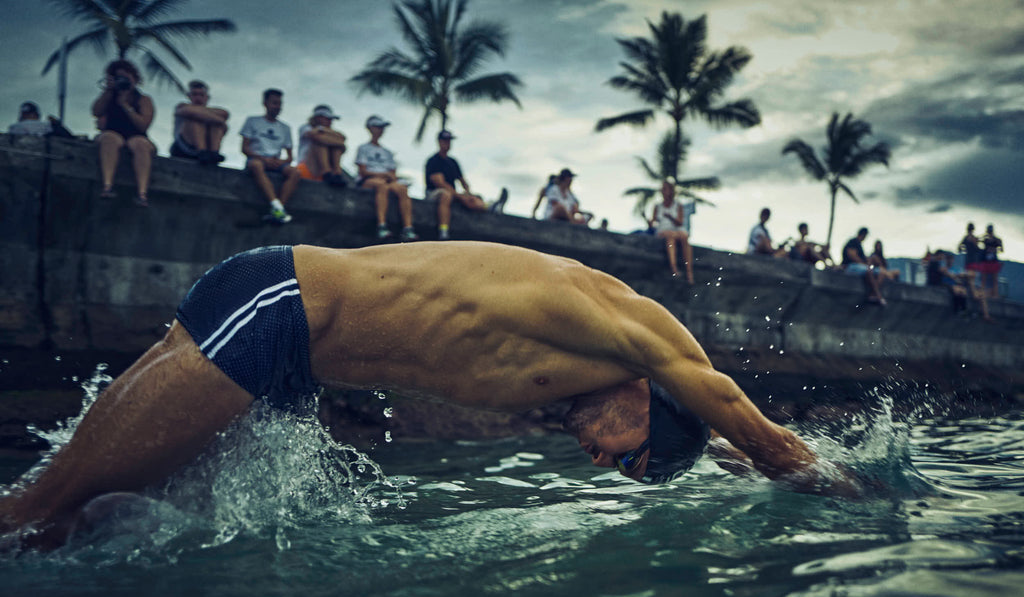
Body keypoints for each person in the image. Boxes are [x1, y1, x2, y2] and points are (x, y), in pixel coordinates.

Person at [0, 241, 868, 549]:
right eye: (626, 456)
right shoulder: (627, 326)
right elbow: (726, 401)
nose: (600, 459)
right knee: (35, 515)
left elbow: (709, 431)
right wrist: (840, 485)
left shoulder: (588, 369)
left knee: (90, 527)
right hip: (274, 307)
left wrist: (725, 459)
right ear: (654, 399)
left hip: (289, 368)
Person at [91, 60, 156, 207]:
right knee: (110, 138)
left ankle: (142, 194)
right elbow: (96, 111)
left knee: (140, 144)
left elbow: (143, 125)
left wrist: (126, 106)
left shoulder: (143, 99)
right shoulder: (109, 96)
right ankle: (107, 186)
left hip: (136, 136)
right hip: (112, 134)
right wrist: (108, 91)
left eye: (127, 77)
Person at [424, 130, 508, 240]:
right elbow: (440, 183)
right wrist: (460, 196)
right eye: (445, 141)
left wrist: (468, 194)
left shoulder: (452, 162)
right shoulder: (433, 161)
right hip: (434, 194)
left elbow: (463, 182)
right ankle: (443, 231)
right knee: (446, 195)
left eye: (449, 141)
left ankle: (490, 207)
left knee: (473, 197)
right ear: (439, 142)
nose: (447, 143)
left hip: (452, 194)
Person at [239, 88, 300, 224]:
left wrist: (280, 162)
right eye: (274, 103)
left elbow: (290, 157)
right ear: (265, 103)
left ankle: (279, 208)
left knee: (295, 172)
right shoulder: (252, 121)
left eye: (279, 104)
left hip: (276, 162)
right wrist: (263, 159)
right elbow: (244, 148)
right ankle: (276, 205)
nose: (277, 107)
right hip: (257, 159)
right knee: (256, 165)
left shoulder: (285, 128)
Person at [355, 115, 416, 241]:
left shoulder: (387, 152)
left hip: (386, 180)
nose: (380, 130)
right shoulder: (363, 148)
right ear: (370, 128)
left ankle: (408, 228)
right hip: (369, 181)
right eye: (378, 127)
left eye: (382, 127)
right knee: (381, 185)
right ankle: (381, 225)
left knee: (402, 189)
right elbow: (363, 171)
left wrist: (389, 177)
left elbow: (393, 173)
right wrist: (383, 175)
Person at [170, 80, 229, 166]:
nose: (198, 98)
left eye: (201, 95)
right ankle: (202, 151)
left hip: (208, 149)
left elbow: (225, 113)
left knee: (215, 125)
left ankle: (214, 153)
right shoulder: (182, 106)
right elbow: (189, 111)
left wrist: (214, 120)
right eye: (195, 94)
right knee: (196, 120)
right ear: (189, 96)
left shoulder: (215, 111)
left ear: (207, 97)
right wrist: (221, 122)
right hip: (183, 148)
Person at [647, 180, 695, 283]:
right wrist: (649, 222)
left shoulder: (678, 205)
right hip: (663, 230)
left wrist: (670, 217)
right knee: (670, 237)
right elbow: (653, 222)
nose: (663, 191)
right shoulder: (658, 206)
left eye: (665, 189)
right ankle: (674, 268)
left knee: (684, 236)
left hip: (676, 229)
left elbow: (680, 222)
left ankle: (689, 271)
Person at [926, 250, 991, 321]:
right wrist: (956, 276)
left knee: (963, 291)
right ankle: (959, 310)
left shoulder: (950, 267)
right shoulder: (938, 264)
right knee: (958, 291)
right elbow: (947, 274)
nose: (947, 260)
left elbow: (968, 275)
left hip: (953, 284)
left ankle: (965, 310)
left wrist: (959, 277)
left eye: (950, 259)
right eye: (946, 258)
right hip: (943, 284)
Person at [296, 105, 348, 186]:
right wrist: (337, 141)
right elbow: (316, 137)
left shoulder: (328, 131)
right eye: (328, 119)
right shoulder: (306, 127)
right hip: (308, 165)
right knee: (320, 143)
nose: (330, 122)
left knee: (335, 147)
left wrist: (322, 132)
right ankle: (326, 171)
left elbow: (342, 137)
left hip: (324, 169)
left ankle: (336, 172)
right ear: (318, 118)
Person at [841, 227, 887, 305]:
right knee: (869, 271)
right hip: (851, 266)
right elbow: (852, 256)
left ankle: (872, 294)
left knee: (881, 272)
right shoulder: (853, 242)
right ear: (863, 235)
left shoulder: (859, 245)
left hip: (860, 266)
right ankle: (878, 296)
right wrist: (864, 263)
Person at [978, 224, 1004, 299]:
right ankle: (983, 293)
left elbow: (1001, 250)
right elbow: (977, 240)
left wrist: (994, 249)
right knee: (983, 279)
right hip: (985, 261)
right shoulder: (985, 239)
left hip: (993, 261)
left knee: (994, 279)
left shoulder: (997, 240)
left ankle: (995, 295)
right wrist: (984, 235)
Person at [958, 223, 983, 288]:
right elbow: (978, 249)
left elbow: (959, 248)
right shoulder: (973, 238)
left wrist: (965, 249)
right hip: (974, 261)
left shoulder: (966, 238)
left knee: (969, 278)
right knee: (972, 279)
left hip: (968, 260)